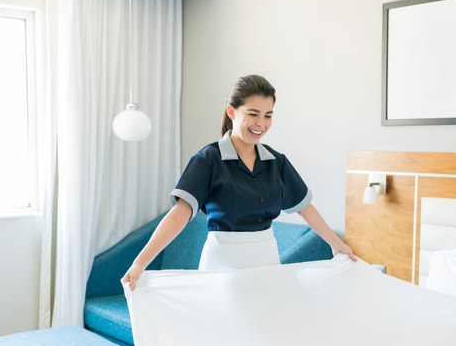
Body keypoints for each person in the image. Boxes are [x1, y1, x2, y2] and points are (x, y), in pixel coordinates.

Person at [122, 74, 355, 290]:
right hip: (223, 265)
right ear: (232, 112)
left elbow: (304, 207)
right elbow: (180, 214)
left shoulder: (276, 161)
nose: (261, 124)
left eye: (268, 115)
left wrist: (336, 245)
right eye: (253, 114)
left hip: (267, 262)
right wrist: (140, 263)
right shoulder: (209, 159)